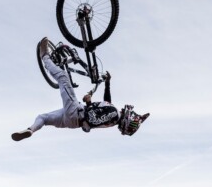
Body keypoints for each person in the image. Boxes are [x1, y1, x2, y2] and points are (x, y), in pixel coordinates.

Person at [12, 37, 149, 142]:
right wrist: (107, 84)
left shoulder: (113, 113)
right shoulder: (113, 119)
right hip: (73, 122)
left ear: (129, 118)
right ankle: (31, 130)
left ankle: (44, 56)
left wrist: (89, 102)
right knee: (44, 118)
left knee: (63, 77)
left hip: (76, 112)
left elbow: (93, 118)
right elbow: (107, 103)